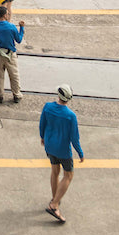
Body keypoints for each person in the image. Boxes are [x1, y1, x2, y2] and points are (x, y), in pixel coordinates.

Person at [40, 84, 84, 223]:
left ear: (58, 95)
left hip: (49, 146)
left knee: (54, 171)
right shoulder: (70, 116)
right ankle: (54, 205)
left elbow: (42, 125)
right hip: (63, 150)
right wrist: (80, 153)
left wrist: (42, 138)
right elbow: (74, 138)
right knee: (68, 175)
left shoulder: (47, 107)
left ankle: (56, 200)